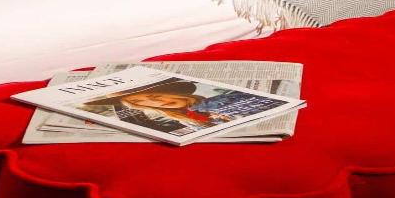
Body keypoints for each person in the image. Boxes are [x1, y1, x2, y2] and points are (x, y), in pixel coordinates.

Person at [85, 78, 282, 131]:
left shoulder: (215, 97)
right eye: (140, 103)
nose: (157, 101)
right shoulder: (187, 119)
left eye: (153, 96)